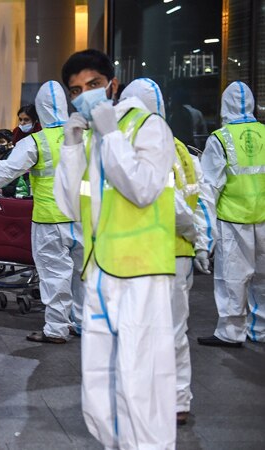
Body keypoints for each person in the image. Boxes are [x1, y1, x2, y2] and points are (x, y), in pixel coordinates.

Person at [54, 49, 177, 449]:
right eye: (76, 90)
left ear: (113, 85)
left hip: (142, 271)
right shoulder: (88, 138)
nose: (85, 95)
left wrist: (112, 136)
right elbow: (71, 206)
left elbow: (141, 188)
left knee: (143, 380)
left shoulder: (149, 127)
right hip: (98, 272)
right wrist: (72, 146)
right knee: (98, 385)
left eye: (92, 85)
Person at [0, 81, 85, 344]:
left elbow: (4, 171)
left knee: (55, 275)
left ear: (41, 110)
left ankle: (56, 329)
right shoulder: (84, 136)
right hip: (84, 219)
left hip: (50, 220)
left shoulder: (37, 141)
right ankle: (80, 323)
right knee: (82, 274)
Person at [120, 77, 216, 426]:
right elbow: (203, 198)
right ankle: (177, 401)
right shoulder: (181, 149)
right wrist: (202, 243)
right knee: (175, 330)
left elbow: (171, 206)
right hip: (181, 255)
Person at [197, 81, 265, 347]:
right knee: (263, 276)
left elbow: (209, 189)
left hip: (233, 219)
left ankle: (231, 331)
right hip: (263, 217)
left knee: (232, 277)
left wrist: (205, 237)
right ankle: (260, 329)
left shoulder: (221, 139)